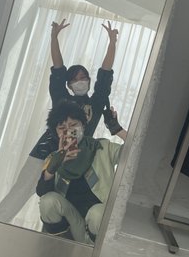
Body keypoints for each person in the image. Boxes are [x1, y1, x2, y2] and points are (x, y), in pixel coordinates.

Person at [0, 19, 122, 223]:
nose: (80, 81)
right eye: (75, 79)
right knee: (22, 189)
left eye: (84, 77)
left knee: (62, 199)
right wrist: (53, 37)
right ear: (69, 84)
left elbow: (105, 75)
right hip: (45, 151)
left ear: (89, 80)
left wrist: (112, 42)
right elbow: (58, 68)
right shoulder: (61, 99)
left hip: (76, 156)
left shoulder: (95, 104)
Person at [37, 99, 127, 244]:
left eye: (73, 125)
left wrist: (118, 130)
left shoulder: (102, 147)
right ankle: (60, 247)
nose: (68, 131)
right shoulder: (53, 159)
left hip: (98, 226)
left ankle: (94, 251)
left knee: (98, 213)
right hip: (72, 226)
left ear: (83, 126)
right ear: (56, 133)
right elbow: (42, 192)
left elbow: (136, 154)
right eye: (62, 127)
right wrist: (54, 166)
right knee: (48, 201)